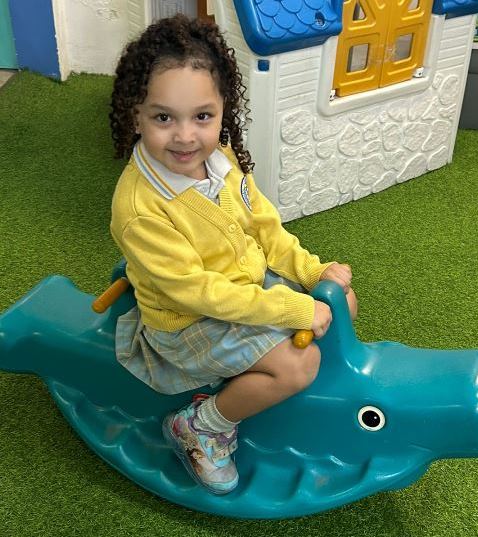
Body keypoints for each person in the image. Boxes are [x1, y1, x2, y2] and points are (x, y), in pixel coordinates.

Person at [109, 14, 357, 495]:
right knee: (297, 364)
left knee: (341, 301)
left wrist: (311, 271)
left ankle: (284, 388)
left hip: (243, 288)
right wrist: (292, 308)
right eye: (163, 118)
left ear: (224, 108)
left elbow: (264, 225)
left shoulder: (221, 157)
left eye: (202, 116)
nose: (186, 137)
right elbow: (200, 293)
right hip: (189, 321)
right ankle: (201, 426)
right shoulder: (140, 209)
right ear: (135, 114)